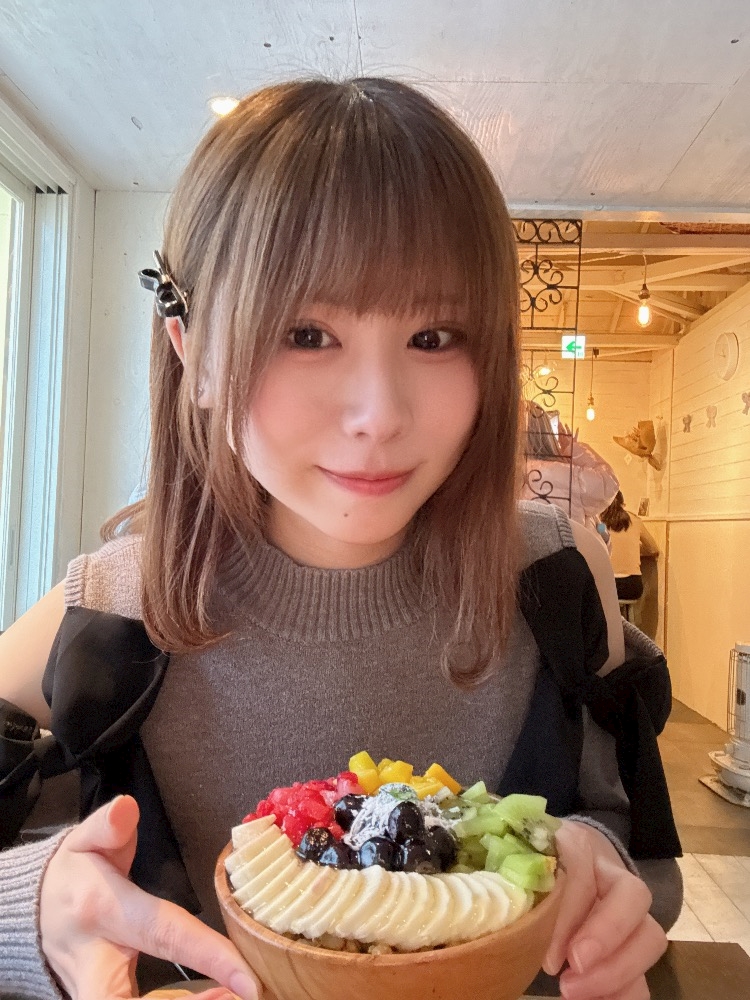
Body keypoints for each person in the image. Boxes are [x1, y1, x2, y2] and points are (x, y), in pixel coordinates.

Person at [0, 78, 678, 1000]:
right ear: (193, 351)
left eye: (434, 335)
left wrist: (598, 870)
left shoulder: (558, 576)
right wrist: (30, 907)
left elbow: (628, 827)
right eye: (306, 333)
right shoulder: (109, 615)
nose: (379, 414)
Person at [521, 401, 619, 534]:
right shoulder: (567, 475)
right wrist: (574, 449)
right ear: (547, 433)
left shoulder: (503, 477)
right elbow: (608, 483)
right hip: (569, 545)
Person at [600, 491, 660, 603]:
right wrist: (634, 549)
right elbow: (653, 549)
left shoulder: (600, 524)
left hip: (607, 585)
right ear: (623, 504)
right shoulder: (635, 521)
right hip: (632, 586)